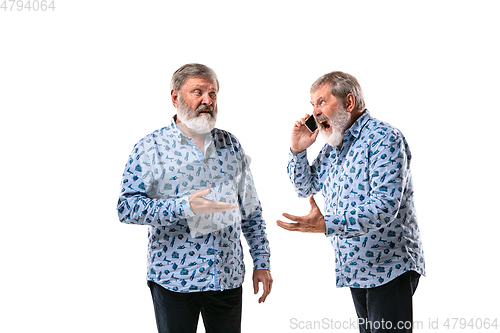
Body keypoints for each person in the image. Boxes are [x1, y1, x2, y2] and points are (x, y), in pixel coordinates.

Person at [117, 63, 272, 333]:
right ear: (175, 97)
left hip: (227, 277)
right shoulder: (149, 148)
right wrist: (185, 206)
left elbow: (251, 210)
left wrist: (262, 262)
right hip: (173, 281)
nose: (207, 100)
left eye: (212, 93)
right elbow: (127, 208)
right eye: (197, 92)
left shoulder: (231, 144)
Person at [277, 71, 425, 333]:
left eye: (322, 102)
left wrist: (327, 223)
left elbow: (384, 207)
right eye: (312, 105)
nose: (315, 113)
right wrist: (298, 151)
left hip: (388, 265)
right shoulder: (333, 146)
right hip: (356, 266)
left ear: (349, 103)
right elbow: (305, 187)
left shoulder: (384, 138)